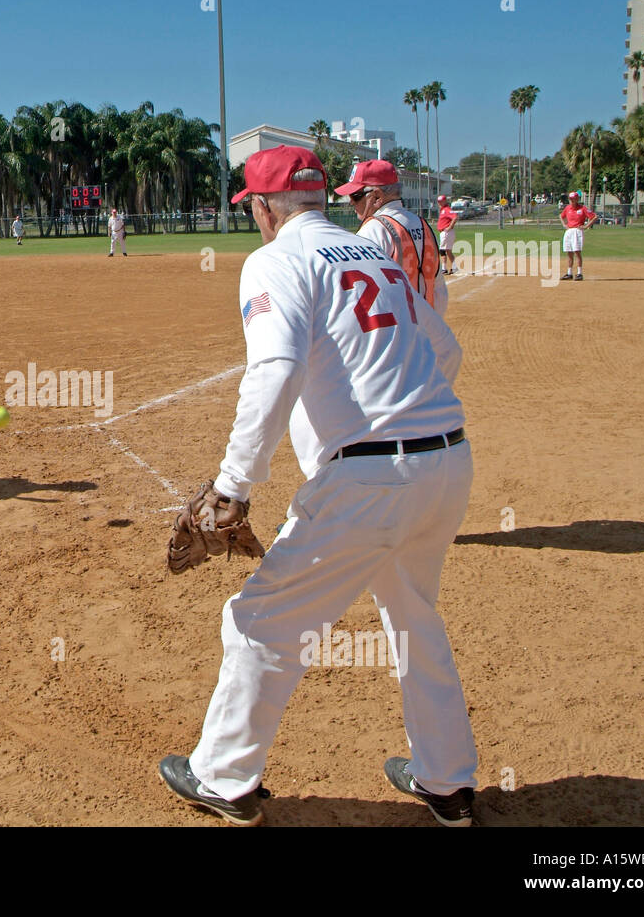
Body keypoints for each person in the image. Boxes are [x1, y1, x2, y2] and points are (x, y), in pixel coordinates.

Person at [159, 146, 476, 828]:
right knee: (415, 618)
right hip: (446, 460)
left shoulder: (278, 259)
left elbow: (273, 370)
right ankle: (447, 781)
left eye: (253, 210)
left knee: (258, 623)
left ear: (266, 208)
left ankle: (222, 778)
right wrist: (406, 414)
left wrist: (232, 486)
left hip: (371, 480)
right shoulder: (374, 255)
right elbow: (446, 350)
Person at [335, 160, 446, 317]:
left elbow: (362, 297)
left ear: (377, 196)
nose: (351, 202)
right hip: (426, 332)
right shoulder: (422, 224)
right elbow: (439, 288)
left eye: (356, 195)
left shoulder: (373, 230)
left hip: (397, 332)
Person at [559, 191, 597, 280]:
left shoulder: (582, 208)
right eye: (570, 199)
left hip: (577, 231)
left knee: (577, 252)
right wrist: (564, 225)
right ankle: (569, 273)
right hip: (569, 231)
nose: (572, 201)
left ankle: (579, 273)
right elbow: (561, 216)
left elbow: (594, 216)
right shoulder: (568, 208)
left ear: (577, 199)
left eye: (574, 199)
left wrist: (586, 226)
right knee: (569, 252)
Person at [435, 195, 458, 277]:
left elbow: (455, 217)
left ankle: (444, 268)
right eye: (439, 201)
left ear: (445, 201)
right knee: (448, 250)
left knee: (442, 250)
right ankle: (454, 267)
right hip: (445, 232)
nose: (439, 203)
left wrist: (450, 227)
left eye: (441, 201)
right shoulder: (443, 210)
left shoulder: (447, 209)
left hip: (446, 232)